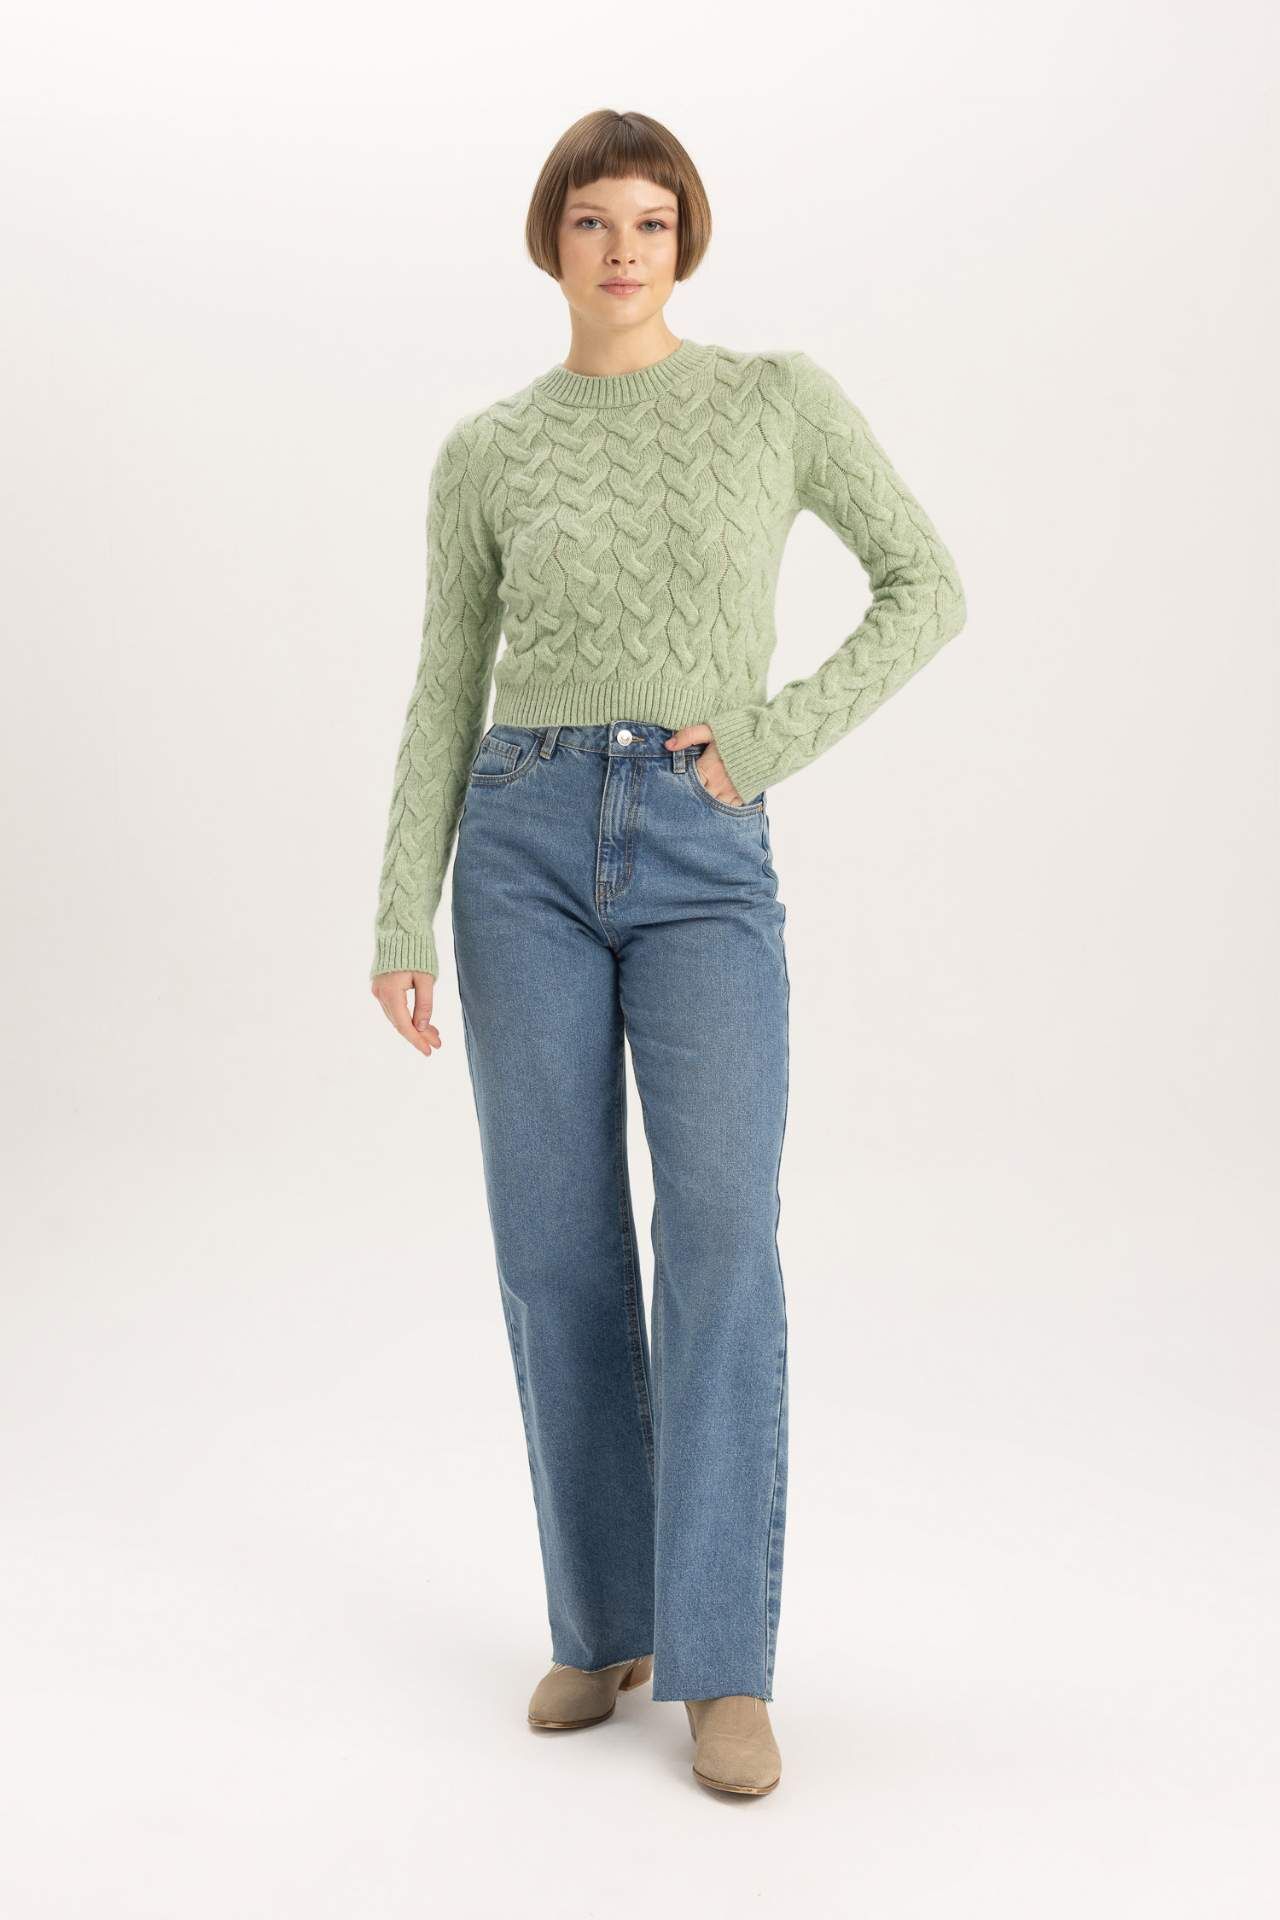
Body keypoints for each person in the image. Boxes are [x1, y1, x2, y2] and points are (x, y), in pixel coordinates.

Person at [369, 107, 966, 1799]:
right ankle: (602, 1621)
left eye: (649, 218)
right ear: (549, 242)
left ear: (685, 237)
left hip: (705, 854)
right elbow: (445, 684)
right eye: (591, 220)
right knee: (554, 1248)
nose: (622, 247)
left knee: (717, 1233)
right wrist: (400, 906)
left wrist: (763, 744)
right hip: (522, 846)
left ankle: (723, 1662)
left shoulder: (776, 399)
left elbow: (925, 586)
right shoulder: (488, 452)